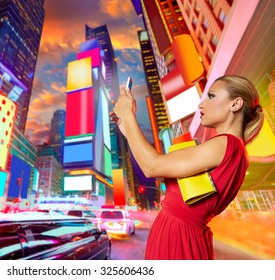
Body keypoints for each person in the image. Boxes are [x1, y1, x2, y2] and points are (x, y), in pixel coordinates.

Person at [111, 75, 264, 260]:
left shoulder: (227, 144)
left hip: (178, 240)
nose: (201, 104)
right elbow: (160, 169)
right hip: (181, 238)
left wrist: (128, 114)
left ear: (236, 104)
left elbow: (152, 166)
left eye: (212, 96)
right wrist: (127, 126)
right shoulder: (234, 150)